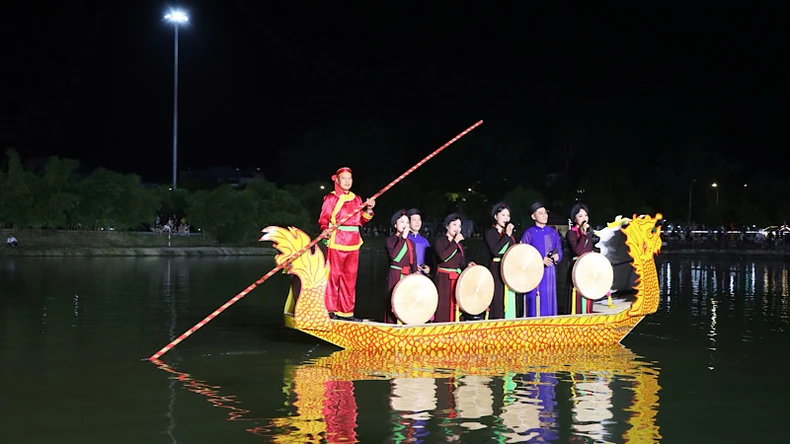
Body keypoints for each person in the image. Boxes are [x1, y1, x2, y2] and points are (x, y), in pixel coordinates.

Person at [318, 167, 376, 321]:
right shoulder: (331, 198)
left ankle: (346, 313)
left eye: (349, 178)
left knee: (350, 278)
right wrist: (325, 229)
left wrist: (369, 210)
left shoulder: (357, 199)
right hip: (337, 241)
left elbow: (361, 220)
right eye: (343, 178)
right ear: (337, 180)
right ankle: (329, 310)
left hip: (354, 243)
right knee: (333, 277)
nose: (347, 181)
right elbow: (324, 218)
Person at [519, 202, 563, 317]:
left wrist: (557, 256)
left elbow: (559, 249)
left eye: (545, 213)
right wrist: (539, 261)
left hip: (550, 271)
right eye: (540, 213)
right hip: (535, 272)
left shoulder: (553, 232)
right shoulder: (529, 233)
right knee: (535, 301)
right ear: (533, 216)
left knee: (550, 299)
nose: (544, 215)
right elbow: (523, 253)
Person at [434, 213, 476, 322]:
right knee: (444, 307)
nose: (457, 228)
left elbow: (460, 263)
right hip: (444, 279)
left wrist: (468, 265)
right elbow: (443, 257)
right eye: (454, 224)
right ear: (447, 226)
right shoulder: (440, 241)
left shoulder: (459, 245)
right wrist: (455, 242)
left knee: (457, 306)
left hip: (457, 279)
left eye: (459, 226)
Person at [384, 210, 418, 323]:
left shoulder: (411, 243)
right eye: (402, 222)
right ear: (395, 225)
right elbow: (395, 257)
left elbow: (413, 262)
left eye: (407, 222)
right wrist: (402, 238)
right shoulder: (390, 240)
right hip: (395, 274)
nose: (405, 224)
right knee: (393, 302)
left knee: (407, 302)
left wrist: (415, 275)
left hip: (407, 276)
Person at [484, 202, 517, 319]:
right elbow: (496, 251)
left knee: (510, 298)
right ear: (495, 216)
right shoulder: (490, 233)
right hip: (496, 269)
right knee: (498, 299)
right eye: (503, 215)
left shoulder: (511, 235)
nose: (506, 218)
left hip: (509, 269)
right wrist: (507, 236)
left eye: (508, 216)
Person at [566, 202, 595, 315]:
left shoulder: (588, 233)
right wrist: (583, 234)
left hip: (587, 267)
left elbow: (588, 249)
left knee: (588, 294)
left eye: (586, 215)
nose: (584, 218)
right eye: (580, 216)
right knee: (577, 297)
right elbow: (577, 250)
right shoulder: (571, 233)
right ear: (574, 218)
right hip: (576, 268)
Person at [405, 208, 432, 276]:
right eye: (414, 219)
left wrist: (428, 268)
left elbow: (430, 260)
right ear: (409, 222)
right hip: (408, 274)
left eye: (419, 219)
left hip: (422, 276)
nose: (417, 222)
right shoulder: (404, 239)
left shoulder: (425, 241)